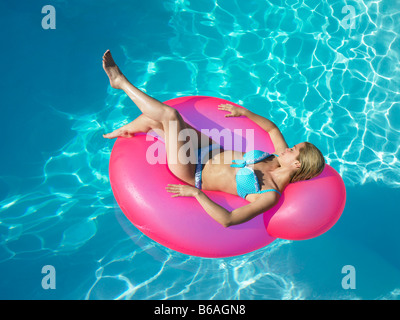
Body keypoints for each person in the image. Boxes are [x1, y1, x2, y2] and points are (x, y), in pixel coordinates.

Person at [102, 50, 325, 228]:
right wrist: (246, 113)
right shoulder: (277, 157)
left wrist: (197, 194)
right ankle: (125, 130)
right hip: (210, 148)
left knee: (170, 115)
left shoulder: (270, 195)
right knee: (154, 120)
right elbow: (273, 129)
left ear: (297, 164)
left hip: (193, 170)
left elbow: (228, 220)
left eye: (293, 149)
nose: (288, 148)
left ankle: (120, 82)